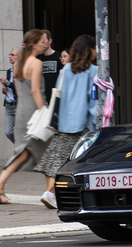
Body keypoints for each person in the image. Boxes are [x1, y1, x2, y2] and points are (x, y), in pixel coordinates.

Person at [34, 35, 98, 209]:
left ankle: (51, 193)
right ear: (89, 50)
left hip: (65, 121)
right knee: (86, 160)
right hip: (83, 123)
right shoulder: (93, 71)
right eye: (94, 48)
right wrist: (97, 123)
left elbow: (59, 95)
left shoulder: (67, 69)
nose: (96, 51)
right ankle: (55, 194)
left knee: (59, 160)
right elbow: (93, 100)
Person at [0, 30, 50, 205]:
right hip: (34, 111)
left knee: (26, 152)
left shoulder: (18, 64)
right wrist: (44, 113)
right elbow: (35, 91)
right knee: (45, 151)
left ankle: (0, 186)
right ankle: (50, 193)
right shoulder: (36, 63)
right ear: (34, 44)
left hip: (21, 111)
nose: (45, 44)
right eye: (43, 41)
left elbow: (18, 90)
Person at [37, 29, 64, 102]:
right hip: (42, 97)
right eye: (40, 41)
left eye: (44, 40)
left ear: (50, 41)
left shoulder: (60, 57)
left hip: (56, 96)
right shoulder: (38, 59)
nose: (42, 43)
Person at [0, 49, 18, 143]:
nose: (10, 56)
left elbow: (20, 89)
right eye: (10, 54)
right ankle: (21, 149)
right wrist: (5, 89)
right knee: (8, 132)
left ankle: (21, 150)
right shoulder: (9, 71)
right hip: (8, 105)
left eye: (13, 55)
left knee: (20, 132)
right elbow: (10, 87)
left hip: (17, 105)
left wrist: (8, 83)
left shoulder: (21, 72)